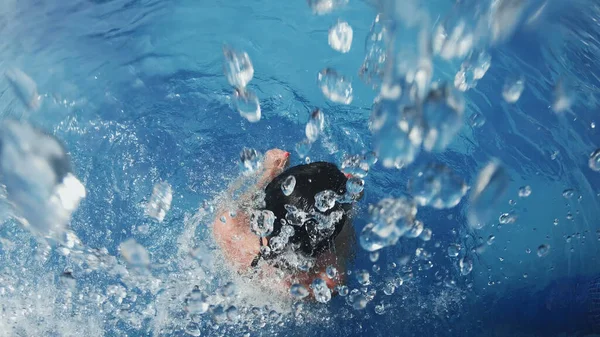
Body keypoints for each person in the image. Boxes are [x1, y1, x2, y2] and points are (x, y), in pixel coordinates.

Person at [212, 149, 357, 297]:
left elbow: (236, 207)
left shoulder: (229, 230)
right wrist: (351, 193)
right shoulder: (327, 281)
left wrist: (268, 174)